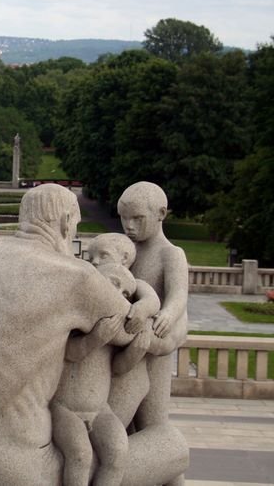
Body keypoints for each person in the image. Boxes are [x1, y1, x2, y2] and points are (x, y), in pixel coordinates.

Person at [0, 185, 151, 484]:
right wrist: (148, 296)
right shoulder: (73, 276)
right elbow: (137, 328)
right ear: (67, 223)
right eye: (76, 227)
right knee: (166, 443)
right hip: (11, 471)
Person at [50, 233, 160, 486]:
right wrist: (95, 339)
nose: (119, 295)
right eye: (113, 285)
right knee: (80, 455)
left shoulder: (118, 325)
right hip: (66, 408)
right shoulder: (81, 312)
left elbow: (118, 368)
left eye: (125, 293)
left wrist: (136, 350)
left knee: (118, 452)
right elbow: (70, 354)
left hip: (100, 410)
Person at [117, 182, 190, 486]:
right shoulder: (126, 253)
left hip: (155, 354)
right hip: (127, 352)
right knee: (126, 431)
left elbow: (179, 294)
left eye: (137, 219)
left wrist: (169, 315)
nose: (129, 226)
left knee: (155, 430)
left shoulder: (170, 253)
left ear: (161, 214)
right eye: (124, 218)